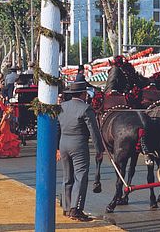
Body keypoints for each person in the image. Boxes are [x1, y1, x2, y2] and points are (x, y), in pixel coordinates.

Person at [57, 81, 104, 221]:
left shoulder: (62, 107)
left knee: (67, 177)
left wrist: (57, 148)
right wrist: (99, 149)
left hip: (63, 143)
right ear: (83, 94)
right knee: (81, 177)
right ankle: (76, 209)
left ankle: (66, 207)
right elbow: (94, 131)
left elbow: (57, 129)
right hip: (78, 145)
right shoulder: (86, 108)